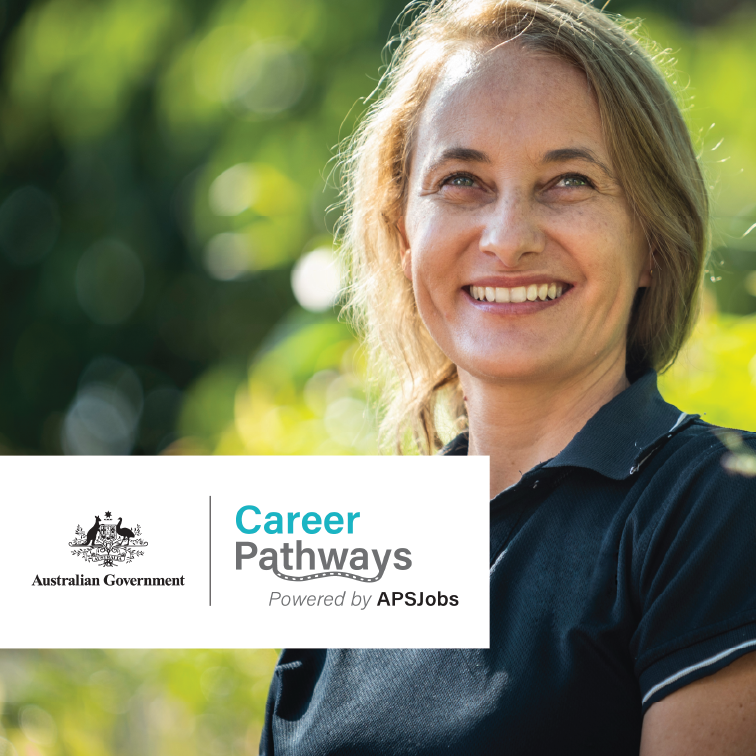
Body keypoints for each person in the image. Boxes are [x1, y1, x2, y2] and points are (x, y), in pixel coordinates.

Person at [261, 0, 756, 753]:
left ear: (653, 240)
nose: (508, 238)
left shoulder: (721, 504)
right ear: (404, 234)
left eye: (570, 182)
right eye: (462, 180)